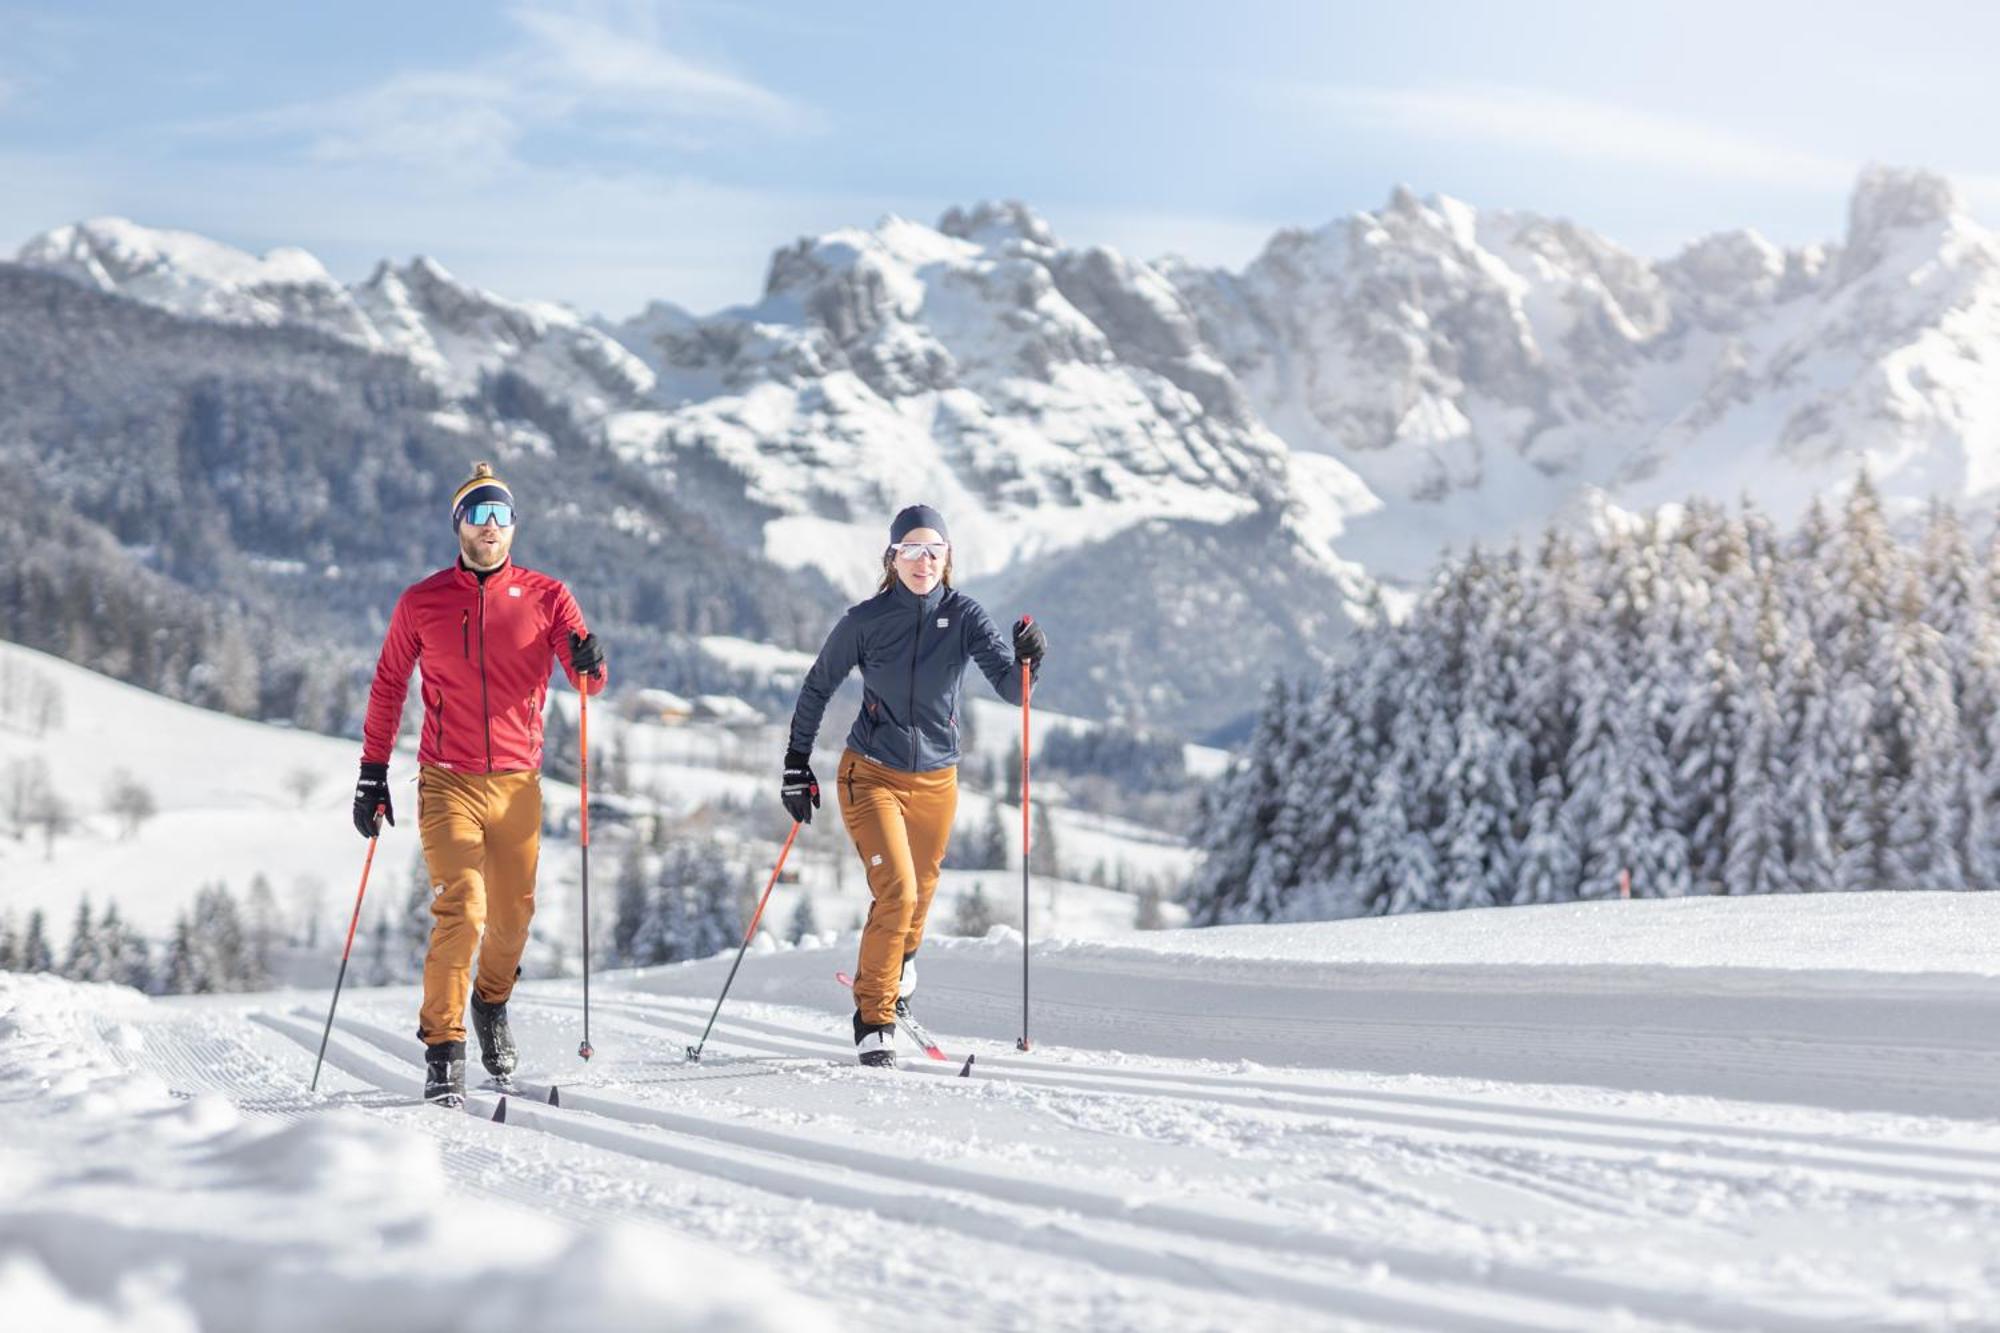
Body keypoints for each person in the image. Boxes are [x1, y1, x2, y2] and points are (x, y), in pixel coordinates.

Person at [353, 462, 607, 1105]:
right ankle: (444, 1047)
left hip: (519, 783)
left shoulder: (549, 597)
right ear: (459, 525)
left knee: (513, 917)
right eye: (477, 514)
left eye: (500, 516)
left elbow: (589, 682)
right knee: (462, 908)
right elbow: (388, 686)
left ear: (514, 526)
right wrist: (371, 773)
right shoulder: (422, 601)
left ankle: (491, 1003)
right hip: (447, 781)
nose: (489, 527)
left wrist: (589, 663)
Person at [783, 505, 1046, 1067]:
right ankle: (873, 1016)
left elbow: (1011, 688)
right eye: (911, 550)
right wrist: (796, 762)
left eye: (934, 550)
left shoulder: (966, 616)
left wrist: (1028, 662)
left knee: (921, 894)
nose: (923, 561)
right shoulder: (865, 621)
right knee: (897, 890)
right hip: (870, 772)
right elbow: (817, 687)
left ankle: (895, 968)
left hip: (937, 779)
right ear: (892, 556)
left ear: (948, 557)